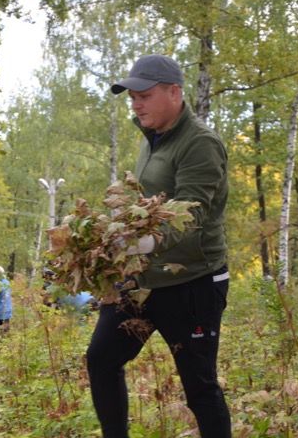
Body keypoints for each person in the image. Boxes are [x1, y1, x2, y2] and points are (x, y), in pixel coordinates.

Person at [86, 54, 231, 438]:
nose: (135, 103)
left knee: (200, 387)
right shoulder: (152, 138)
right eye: (132, 96)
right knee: (101, 358)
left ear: (174, 92)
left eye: (144, 95)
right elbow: (148, 203)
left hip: (193, 282)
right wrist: (117, 229)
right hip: (142, 280)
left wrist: (141, 242)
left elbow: (192, 213)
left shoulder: (200, 143)